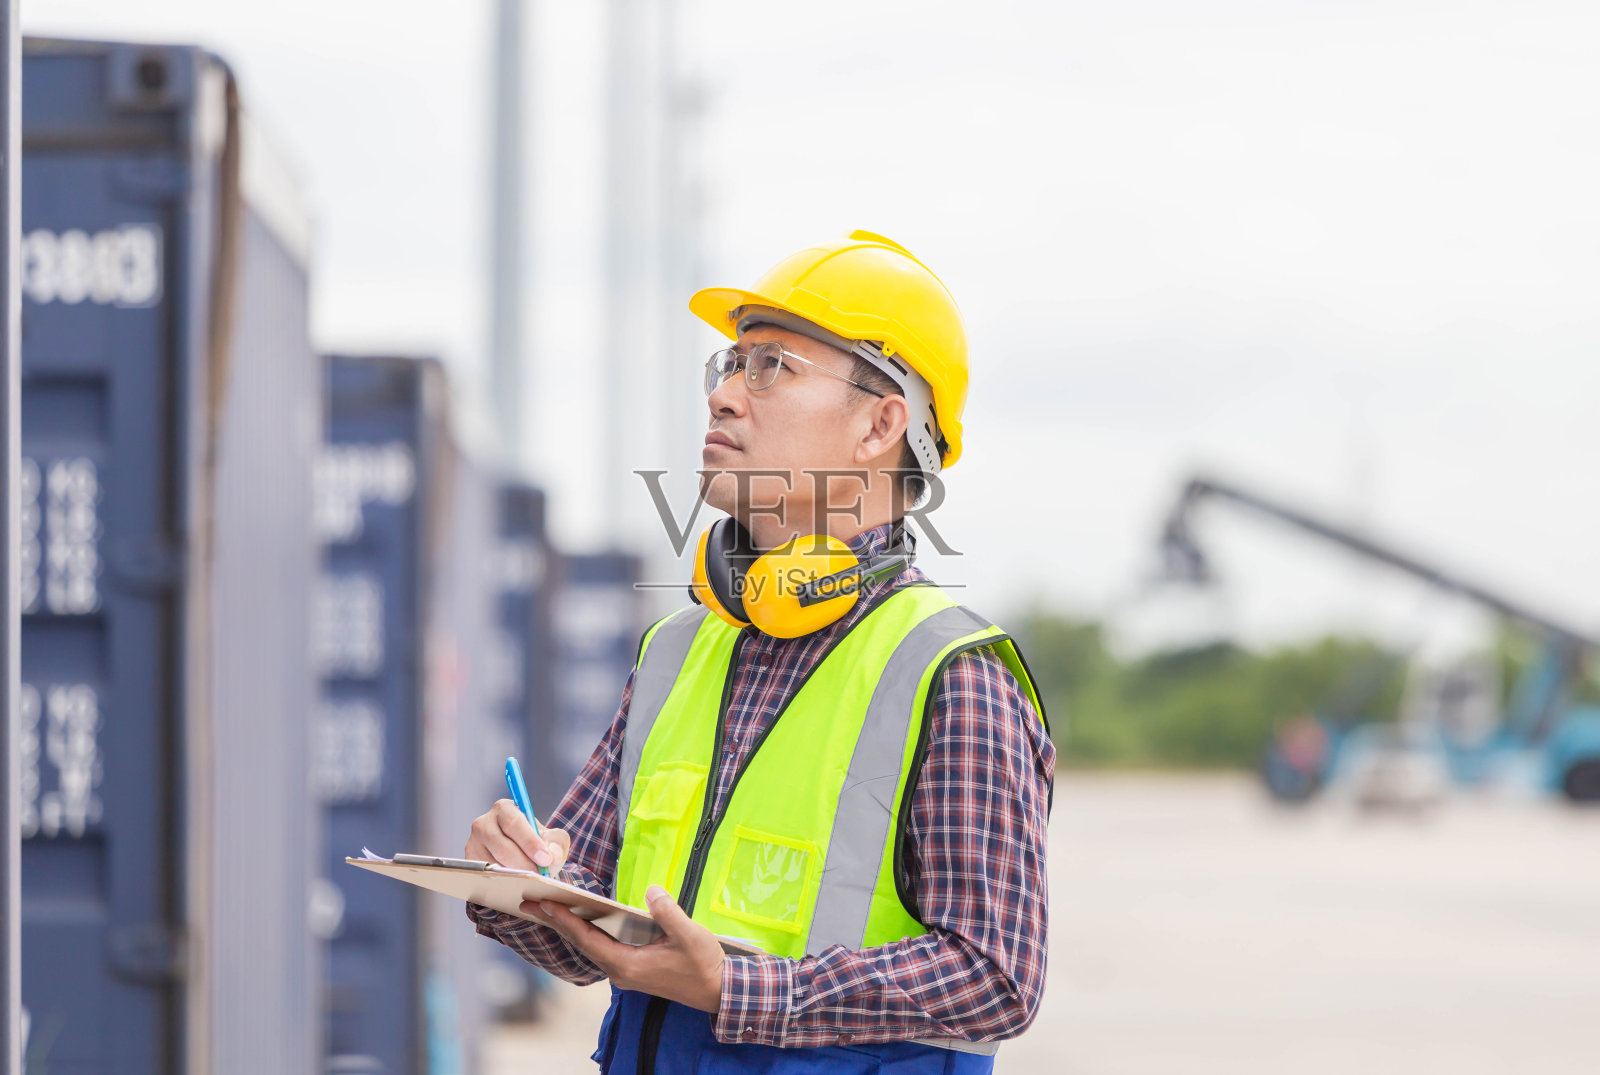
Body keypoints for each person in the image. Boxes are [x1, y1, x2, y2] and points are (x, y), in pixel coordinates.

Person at [465, 230, 1055, 1073]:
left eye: (771, 366)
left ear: (881, 425)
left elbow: (996, 975)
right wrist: (517, 881)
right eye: (729, 366)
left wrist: (739, 989)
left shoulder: (951, 673)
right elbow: (578, 924)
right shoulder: (677, 651)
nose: (725, 396)